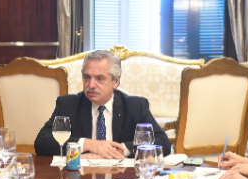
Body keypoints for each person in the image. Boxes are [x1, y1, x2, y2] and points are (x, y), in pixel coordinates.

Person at [34, 50, 171, 158]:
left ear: (115, 81)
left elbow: (162, 143)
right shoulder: (68, 105)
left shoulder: (136, 106)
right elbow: (42, 142)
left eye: (100, 78)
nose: (91, 85)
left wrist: (119, 150)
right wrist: (88, 144)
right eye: (87, 77)